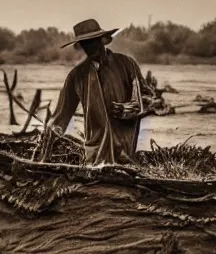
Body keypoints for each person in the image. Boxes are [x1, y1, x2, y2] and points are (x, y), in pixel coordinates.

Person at [48, 19, 154, 166]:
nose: (90, 47)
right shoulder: (76, 76)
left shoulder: (127, 64)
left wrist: (129, 108)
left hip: (124, 148)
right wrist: (50, 135)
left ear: (102, 41)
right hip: (94, 151)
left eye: (93, 41)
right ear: (82, 46)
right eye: (86, 44)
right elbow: (61, 116)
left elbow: (148, 99)